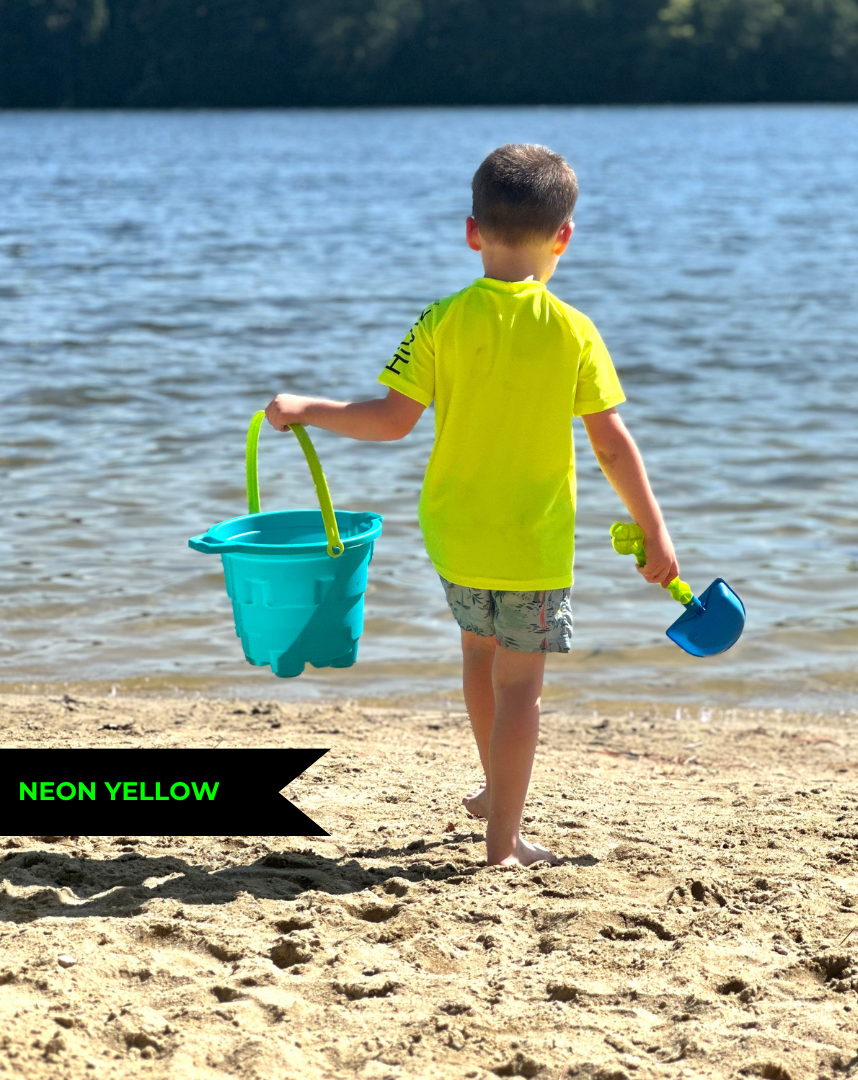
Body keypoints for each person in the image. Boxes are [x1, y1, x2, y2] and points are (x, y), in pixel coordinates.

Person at [265, 144, 678, 867]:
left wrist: (308, 408)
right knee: (521, 685)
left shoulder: (441, 319)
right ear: (565, 237)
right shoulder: (574, 331)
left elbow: (390, 420)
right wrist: (654, 529)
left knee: (478, 656)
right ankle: (503, 843)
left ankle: (497, 789)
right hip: (531, 543)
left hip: (456, 534)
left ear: (471, 232)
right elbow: (613, 446)